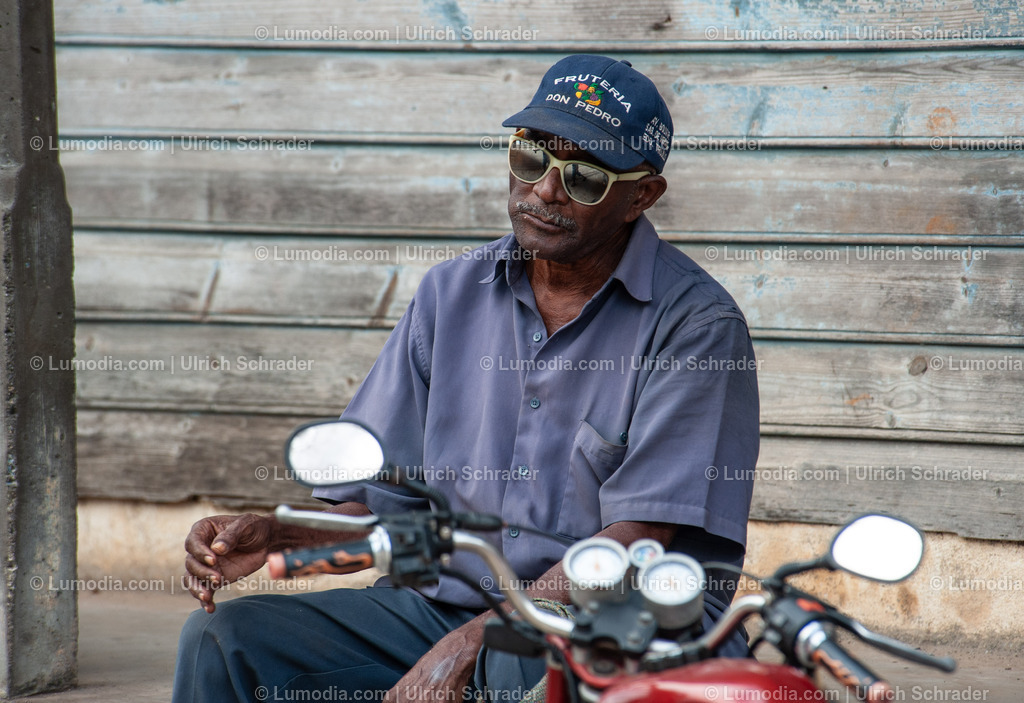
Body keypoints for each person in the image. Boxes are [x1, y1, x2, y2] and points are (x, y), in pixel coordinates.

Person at [174, 54, 759, 703]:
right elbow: (377, 509)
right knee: (229, 638)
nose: (544, 190)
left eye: (585, 177)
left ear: (641, 196)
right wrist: (275, 533)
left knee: (520, 673)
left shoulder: (697, 326)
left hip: (612, 625)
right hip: (442, 603)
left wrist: (473, 643)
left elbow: (633, 542)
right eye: (531, 157)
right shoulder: (449, 295)